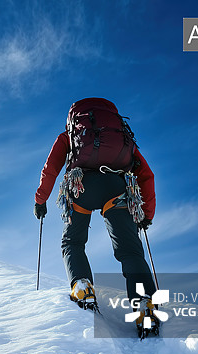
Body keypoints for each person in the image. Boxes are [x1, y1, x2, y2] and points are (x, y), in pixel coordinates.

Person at [33, 98, 157, 322]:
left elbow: (50, 168)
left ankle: (82, 287)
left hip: (81, 187)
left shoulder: (69, 136)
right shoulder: (122, 136)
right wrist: (146, 215)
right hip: (118, 187)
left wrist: (40, 201)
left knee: (72, 242)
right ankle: (144, 302)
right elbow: (147, 175)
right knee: (130, 251)